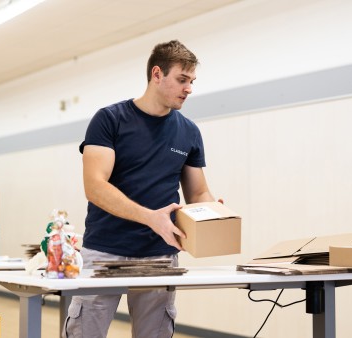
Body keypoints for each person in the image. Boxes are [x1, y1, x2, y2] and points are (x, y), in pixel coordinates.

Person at [64, 40, 219, 338]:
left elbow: (198, 193)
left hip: (159, 255)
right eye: (182, 80)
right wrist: (151, 217)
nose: (189, 89)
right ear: (157, 74)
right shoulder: (110, 120)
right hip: (104, 252)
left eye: (192, 81)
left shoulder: (188, 131)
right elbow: (95, 186)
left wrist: (212, 213)